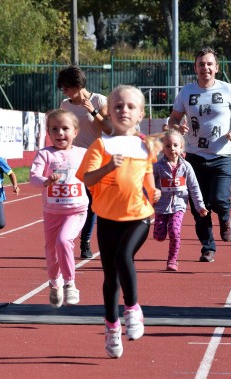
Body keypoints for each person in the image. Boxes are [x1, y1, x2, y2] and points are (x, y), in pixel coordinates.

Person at [75, 85, 161, 359]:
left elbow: (148, 177)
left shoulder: (145, 145)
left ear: (141, 115)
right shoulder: (102, 145)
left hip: (139, 215)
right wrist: (109, 167)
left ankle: (133, 309)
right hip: (108, 217)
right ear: (109, 113)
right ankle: (112, 327)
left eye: (131, 107)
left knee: (125, 256)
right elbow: (87, 180)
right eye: (118, 106)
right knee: (110, 277)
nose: (124, 110)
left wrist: (154, 191)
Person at [167, 47, 231, 263]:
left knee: (219, 199)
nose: (205, 68)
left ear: (216, 67)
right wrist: (177, 126)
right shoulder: (186, 92)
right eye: (201, 64)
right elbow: (172, 119)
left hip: (222, 155)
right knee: (198, 207)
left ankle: (225, 218)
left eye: (209, 64)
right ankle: (208, 247)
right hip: (194, 157)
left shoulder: (228, 89)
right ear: (195, 68)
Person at [29, 109, 89, 308]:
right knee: (51, 251)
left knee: (64, 241)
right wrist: (46, 181)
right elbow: (33, 177)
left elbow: (96, 174)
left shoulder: (82, 154)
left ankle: (70, 284)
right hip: (52, 212)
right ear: (48, 131)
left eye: (65, 128)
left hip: (76, 209)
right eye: (54, 129)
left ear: (75, 131)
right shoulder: (45, 154)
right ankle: (55, 284)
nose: (60, 133)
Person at [58, 65, 111, 259]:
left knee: (90, 203)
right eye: (62, 88)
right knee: (70, 200)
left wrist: (94, 111)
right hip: (72, 159)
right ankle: (67, 237)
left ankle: (85, 242)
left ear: (78, 84)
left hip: (94, 158)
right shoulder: (65, 104)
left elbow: (108, 128)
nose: (64, 91)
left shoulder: (99, 100)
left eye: (66, 87)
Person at [153, 129, 208, 271]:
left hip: (179, 206)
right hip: (161, 207)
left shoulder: (186, 167)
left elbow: (194, 187)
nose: (172, 149)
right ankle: (161, 235)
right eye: (168, 146)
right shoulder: (157, 167)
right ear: (163, 148)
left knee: (174, 231)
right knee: (158, 236)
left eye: (175, 145)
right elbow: (148, 185)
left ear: (181, 147)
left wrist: (200, 206)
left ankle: (172, 260)